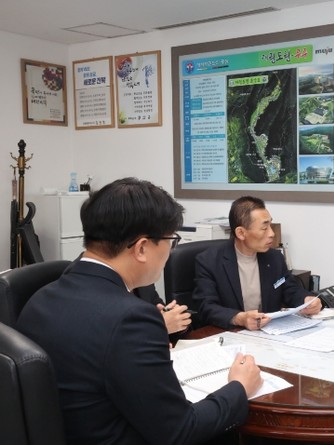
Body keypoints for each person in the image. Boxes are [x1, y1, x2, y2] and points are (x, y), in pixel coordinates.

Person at [16, 178, 262, 444]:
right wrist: (238, 387)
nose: (170, 251)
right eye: (171, 240)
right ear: (142, 248)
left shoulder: (39, 298)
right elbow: (180, 431)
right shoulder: (131, 319)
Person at [193, 196, 321, 330]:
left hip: (268, 331)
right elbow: (206, 306)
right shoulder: (209, 261)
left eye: (270, 225)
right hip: (229, 332)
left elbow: (289, 289)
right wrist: (239, 318)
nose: (272, 233)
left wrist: (307, 300)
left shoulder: (274, 257)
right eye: (264, 228)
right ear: (241, 233)